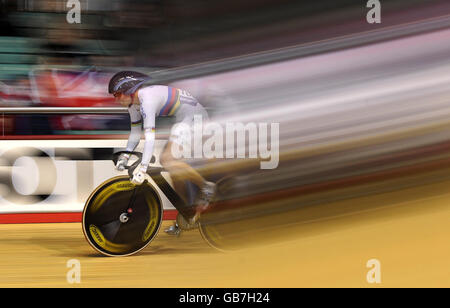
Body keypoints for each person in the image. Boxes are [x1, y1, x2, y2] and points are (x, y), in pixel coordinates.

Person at [108, 71, 216, 235]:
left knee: (167, 159)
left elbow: (149, 137)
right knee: (175, 172)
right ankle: (189, 213)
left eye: (117, 94)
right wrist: (126, 155)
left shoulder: (147, 99)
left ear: (130, 89)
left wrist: (143, 168)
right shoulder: (133, 105)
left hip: (195, 118)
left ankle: (207, 187)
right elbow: (136, 134)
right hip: (185, 119)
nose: (116, 99)